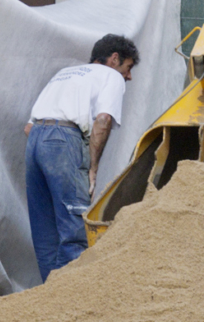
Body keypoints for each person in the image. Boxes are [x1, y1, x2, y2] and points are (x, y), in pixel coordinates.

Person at [24, 34, 138, 281]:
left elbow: (28, 128)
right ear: (114, 58)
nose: (128, 76)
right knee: (75, 229)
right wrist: (92, 168)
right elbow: (103, 119)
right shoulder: (111, 76)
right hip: (64, 139)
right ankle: (69, 302)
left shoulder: (65, 73)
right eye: (128, 67)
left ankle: (48, 299)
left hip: (35, 141)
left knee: (46, 233)